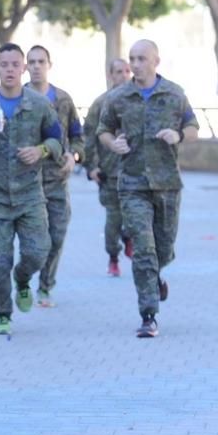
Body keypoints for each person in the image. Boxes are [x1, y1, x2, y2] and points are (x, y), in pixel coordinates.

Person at [98, 40, 199, 338]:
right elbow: (102, 129)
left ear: (156, 61)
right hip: (131, 184)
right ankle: (148, 314)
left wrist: (178, 135)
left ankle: (155, 276)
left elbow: (194, 128)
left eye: (142, 58)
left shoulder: (174, 93)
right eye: (132, 59)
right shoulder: (118, 97)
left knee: (163, 249)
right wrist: (111, 143)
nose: (136, 64)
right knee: (143, 248)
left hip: (167, 185)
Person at [0, 43, 63, 335]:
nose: (9, 70)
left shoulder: (40, 104)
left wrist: (41, 150)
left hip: (30, 195)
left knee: (38, 252)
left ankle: (22, 278)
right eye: (3, 64)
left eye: (14, 64)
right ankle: (3, 314)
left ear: (24, 68)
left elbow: (58, 141)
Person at [25, 45, 83, 307]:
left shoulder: (63, 100)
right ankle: (23, 278)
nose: (37, 66)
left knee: (57, 235)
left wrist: (75, 157)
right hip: (26, 182)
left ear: (49, 65)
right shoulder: (19, 98)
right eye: (32, 62)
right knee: (33, 241)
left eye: (41, 61)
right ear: (26, 66)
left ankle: (46, 286)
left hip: (57, 180)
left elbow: (79, 137)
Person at [83, 57, 133, 277]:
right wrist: (91, 167)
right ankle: (113, 256)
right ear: (111, 75)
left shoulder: (139, 100)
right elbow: (89, 137)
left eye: (126, 71)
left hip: (136, 171)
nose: (123, 75)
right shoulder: (101, 103)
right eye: (119, 72)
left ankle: (129, 237)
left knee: (136, 214)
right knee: (114, 217)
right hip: (109, 172)